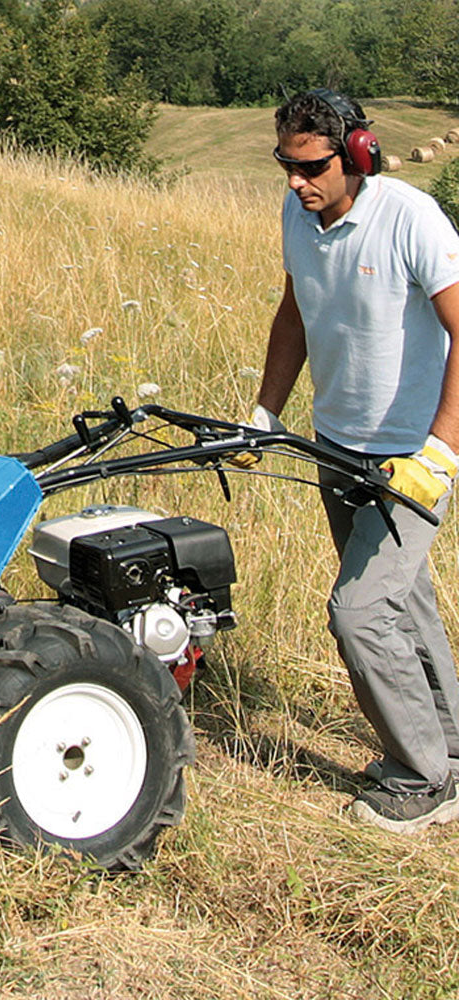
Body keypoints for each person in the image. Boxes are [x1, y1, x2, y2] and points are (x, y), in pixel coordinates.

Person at [248, 88, 459, 833]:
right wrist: (266, 412)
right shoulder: (297, 217)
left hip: (411, 461)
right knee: (403, 601)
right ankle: (452, 749)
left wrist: (439, 452)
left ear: (359, 153)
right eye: (285, 166)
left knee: (358, 612)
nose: (297, 183)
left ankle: (422, 776)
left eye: (311, 168)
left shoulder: (410, 218)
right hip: (336, 445)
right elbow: (296, 310)